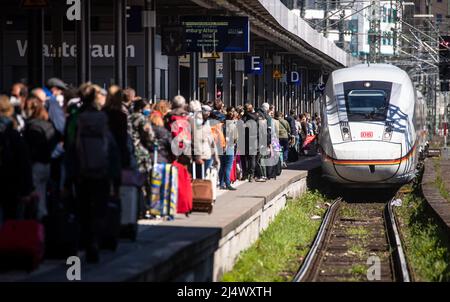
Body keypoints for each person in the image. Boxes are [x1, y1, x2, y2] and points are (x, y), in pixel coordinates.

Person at [75, 85, 121, 263]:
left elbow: (72, 146)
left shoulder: (77, 118)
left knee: (83, 208)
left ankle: (84, 241)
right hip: (101, 171)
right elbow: (112, 148)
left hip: (82, 170)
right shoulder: (104, 119)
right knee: (100, 207)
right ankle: (96, 241)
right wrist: (115, 176)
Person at [23, 96, 58, 220]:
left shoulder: (31, 126)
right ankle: (43, 220)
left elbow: (29, 148)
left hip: (36, 164)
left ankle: (36, 222)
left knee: (35, 194)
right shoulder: (48, 125)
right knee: (42, 193)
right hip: (47, 162)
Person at [0, 95, 33, 222]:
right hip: (11, 184)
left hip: (9, 182)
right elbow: (24, 162)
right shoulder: (13, 133)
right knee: (12, 219)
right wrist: (26, 189)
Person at [103, 89, 131, 169]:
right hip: (117, 153)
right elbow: (125, 136)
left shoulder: (102, 113)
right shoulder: (122, 115)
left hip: (102, 152)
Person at [130, 99, 155, 174]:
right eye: (147, 108)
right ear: (141, 108)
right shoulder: (143, 119)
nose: (149, 110)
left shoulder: (128, 116)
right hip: (140, 149)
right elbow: (149, 135)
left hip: (129, 148)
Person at [219, 107, 238, 191]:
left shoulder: (222, 123)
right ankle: (227, 184)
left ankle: (221, 183)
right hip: (229, 146)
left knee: (222, 166)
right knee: (228, 166)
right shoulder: (233, 125)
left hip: (221, 146)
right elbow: (235, 138)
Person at [242, 103, 259, 182]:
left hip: (245, 139)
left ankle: (245, 174)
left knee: (246, 157)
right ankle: (251, 175)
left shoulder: (244, 116)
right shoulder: (256, 116)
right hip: (254, 139)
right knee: (252, 158)